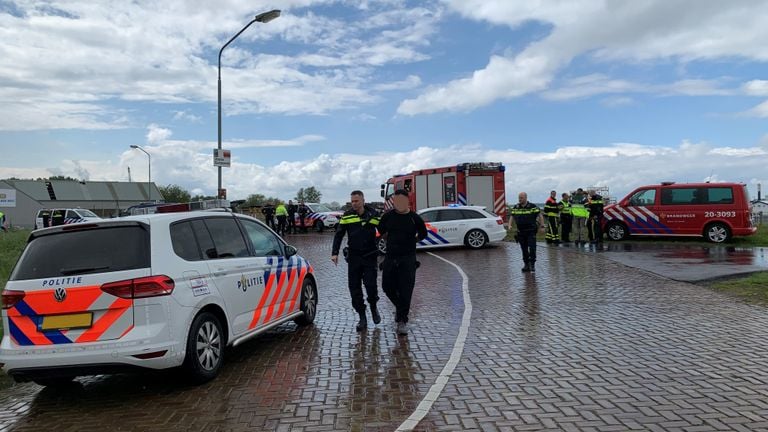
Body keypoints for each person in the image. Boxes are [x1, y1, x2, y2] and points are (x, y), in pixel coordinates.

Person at [378, 189, 428, 336]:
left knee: (406, 291)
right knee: (387, 287)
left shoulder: (414, 218)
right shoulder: (388, 217)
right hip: (391, 257)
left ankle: (402, 321)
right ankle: (400, 309)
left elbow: (423, 234)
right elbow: (380, 230)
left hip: (408, 259)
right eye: (395, 200)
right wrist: (389, 240)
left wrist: (413, 241)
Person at [331, 190, 381, 332]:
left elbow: (384, 229)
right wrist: (334, 253)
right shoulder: (347, 216)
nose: (354, 204)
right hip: (354, 257)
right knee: (354, 289)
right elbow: (339, 234)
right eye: (352, 201)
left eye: (356, 201)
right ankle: (362, 317)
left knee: (371, 286)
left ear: (363, 201)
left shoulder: (374, 215)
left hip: (370, 256)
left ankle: (373, 307)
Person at [510, 192, 544, 272]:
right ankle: (526, 264)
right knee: (524, 249)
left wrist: (542, 226)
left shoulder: (532, 206)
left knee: (532, 248)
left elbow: (540, 215)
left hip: (531, 231)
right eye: (519, 198)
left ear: (525, 198)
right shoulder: (516, 207)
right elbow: (512, 216)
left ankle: (532, 264)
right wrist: (509, 225)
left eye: (521, 198)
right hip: (521, 232)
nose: (519, 199)